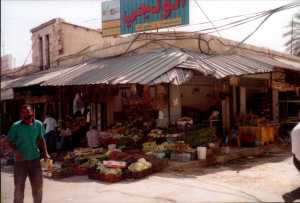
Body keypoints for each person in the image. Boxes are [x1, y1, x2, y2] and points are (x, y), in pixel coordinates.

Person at [7, 104, 50, 203]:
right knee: (19, 188)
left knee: (38, 187)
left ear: (32, 113)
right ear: (21, 115)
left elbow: (41, 139)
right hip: (20, 162)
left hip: (35, 160)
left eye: (28, 112)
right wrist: (16, 151)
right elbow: (9, 141)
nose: (26, 114)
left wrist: (45, 153)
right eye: (23, 112)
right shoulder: (16, 126)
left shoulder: (38, 124)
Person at [282, 122, 300, 203]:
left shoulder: (296, 128)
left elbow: (294, 150)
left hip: (296, 159)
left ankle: (291, 196)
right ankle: (291, 196)